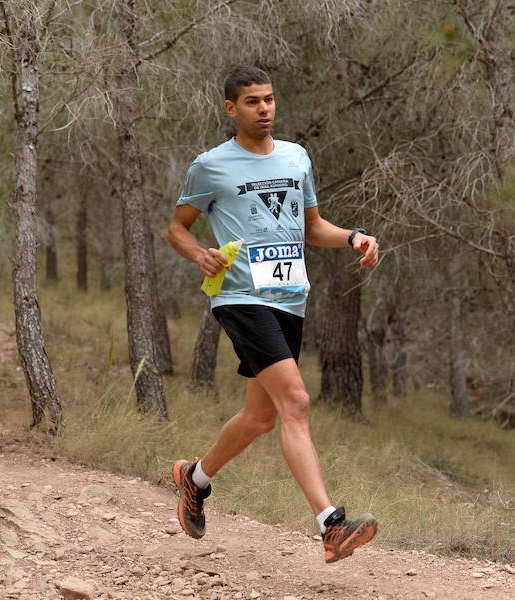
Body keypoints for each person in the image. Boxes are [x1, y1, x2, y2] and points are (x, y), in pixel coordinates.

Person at [166, 66, 380, 564]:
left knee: (262, 416)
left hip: (289, 297)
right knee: (297, 402)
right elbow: (177, 228)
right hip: (240, 298)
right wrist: (198, 252)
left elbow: (312, 228)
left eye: (268, 100)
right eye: (251, 102)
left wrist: (353, 237)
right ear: (231, 109)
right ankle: (331, 525)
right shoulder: (211, 166)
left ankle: (193, 478)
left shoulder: (296, 157)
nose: (263, 109)